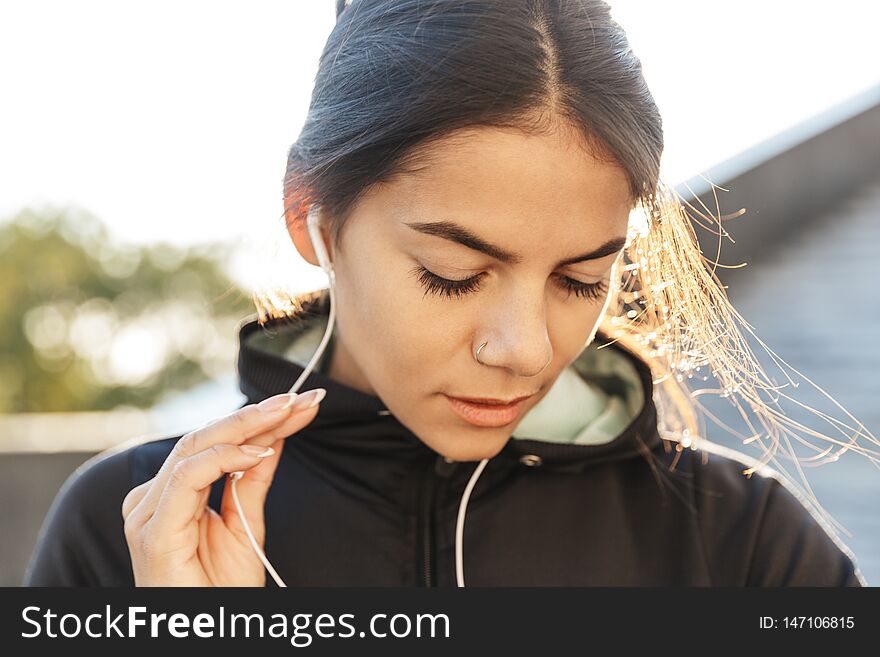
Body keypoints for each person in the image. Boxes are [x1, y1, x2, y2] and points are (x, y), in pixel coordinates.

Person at [24, 0, 868, 587]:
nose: (527, 349)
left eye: (582, 279)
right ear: (309, 216)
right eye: (453, 274)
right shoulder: (132, 531)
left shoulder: (741, 541)